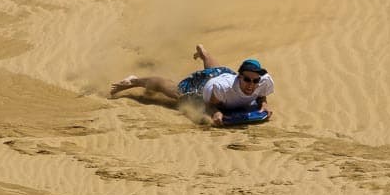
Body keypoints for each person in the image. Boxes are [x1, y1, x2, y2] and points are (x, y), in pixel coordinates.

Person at [110, 45, 274, 126]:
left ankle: (204, 53)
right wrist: (216, 113)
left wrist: (264, 104)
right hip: (203, 87)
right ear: (239, 77)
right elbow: (210, 104)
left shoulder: (262, 82)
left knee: (216, 69)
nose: (251, 85)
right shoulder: (223, 88)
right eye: (247, 80)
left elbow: (261, 95)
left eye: (255, 80)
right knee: (174, 91)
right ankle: (134, 81)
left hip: (222, 74)